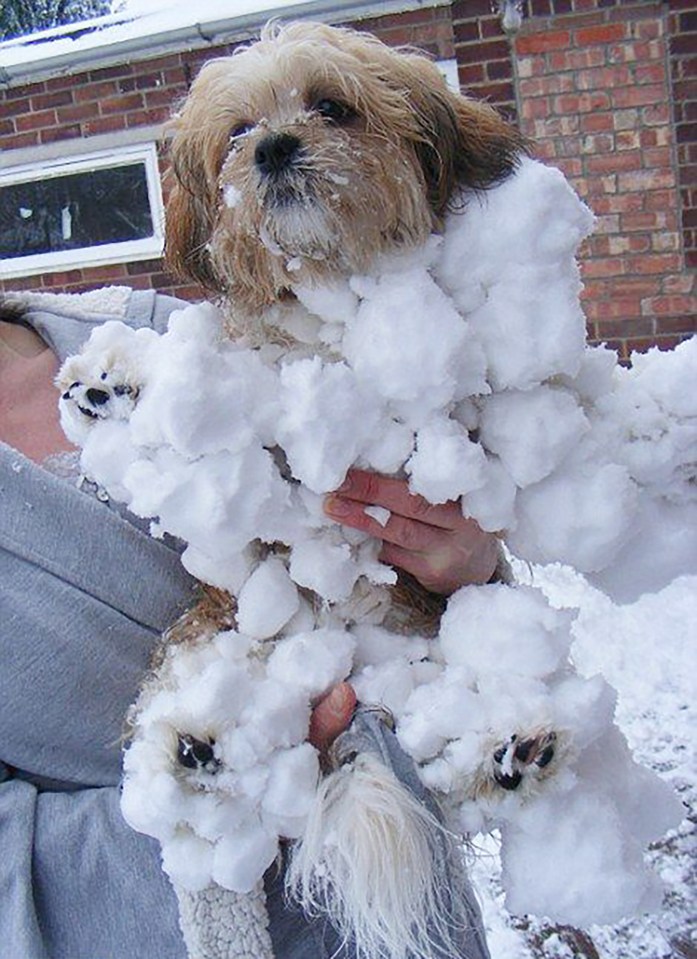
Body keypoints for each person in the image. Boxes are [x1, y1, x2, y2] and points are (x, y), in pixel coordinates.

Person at [0, 287, 498, 959]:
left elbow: (375, 573)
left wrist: (458, 562)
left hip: (412, 914)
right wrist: (226, 806)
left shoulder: (156, 329)